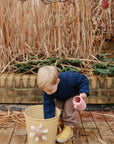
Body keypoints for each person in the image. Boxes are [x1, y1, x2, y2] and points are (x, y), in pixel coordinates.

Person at [37, 65, 89, 143]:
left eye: (49, 90)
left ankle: (69, 127)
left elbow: (83, 79)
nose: (47, 93)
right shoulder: (48, 90)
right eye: (45, 90)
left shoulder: (69, 78)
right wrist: (49, 121)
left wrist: (83, 92)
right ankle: (60, 120)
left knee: (68, 109)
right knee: (55, 107)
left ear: (57, 81)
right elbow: (48, 106)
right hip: (60, 96)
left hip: (72, 95)